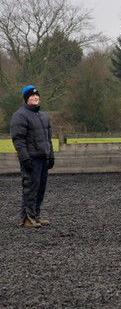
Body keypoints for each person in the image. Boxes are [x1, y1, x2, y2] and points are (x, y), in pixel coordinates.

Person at [10, 85, 55, 227]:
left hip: (43, 157)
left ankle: (35, 215)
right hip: (31, 158)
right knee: (30, 188)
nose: (35, 97)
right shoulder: (20, 116)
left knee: (41, 188)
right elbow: (18, 139)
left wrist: (51, 155)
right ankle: (27, 218)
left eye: (36, 95)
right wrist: (25, 158)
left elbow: (48, 138)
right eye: (31, 95)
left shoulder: (43, 116)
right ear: (26, 98)